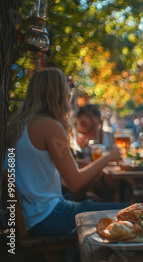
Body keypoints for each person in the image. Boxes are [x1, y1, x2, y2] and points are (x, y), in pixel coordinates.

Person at [4, 68, 126, 237]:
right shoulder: (48, 126)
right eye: (67, 89)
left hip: (29, 217)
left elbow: (63, 180)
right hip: (47, 217)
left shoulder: (18, 125)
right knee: (132, 213)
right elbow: (75, 182)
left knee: (99, 204)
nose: (70, 95)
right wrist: (108, 157)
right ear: (58, 94)